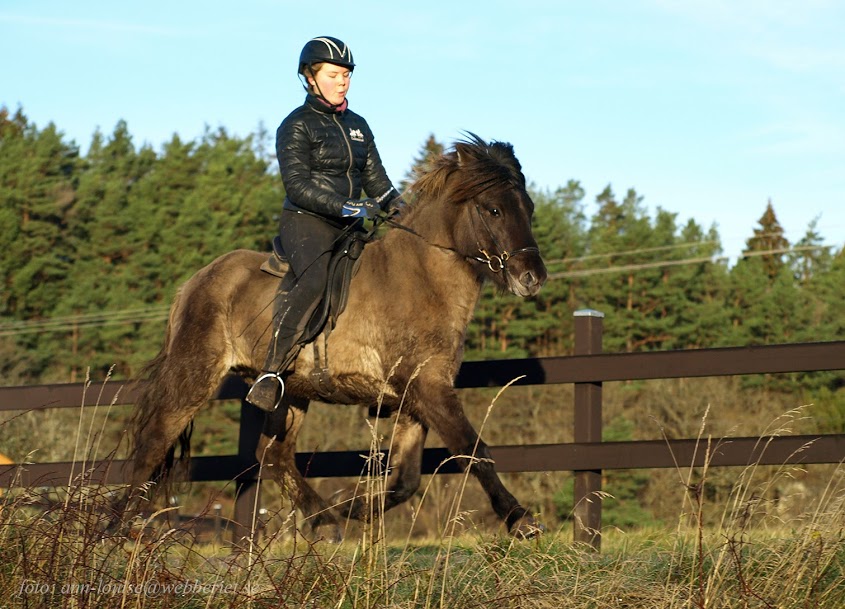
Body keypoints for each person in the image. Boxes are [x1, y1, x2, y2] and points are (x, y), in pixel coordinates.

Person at [247, 36, 402, 412]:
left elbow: (378, 184)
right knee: (315, 279)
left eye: (346, 75)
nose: (343, 81)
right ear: (310, 77)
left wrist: (402, 209)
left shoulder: (359, 126)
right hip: (307, 221)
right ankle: (272, 372)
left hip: (350, 225)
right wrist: (348, 207)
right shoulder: (295, 125)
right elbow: (297, 187)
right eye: (334, 74)